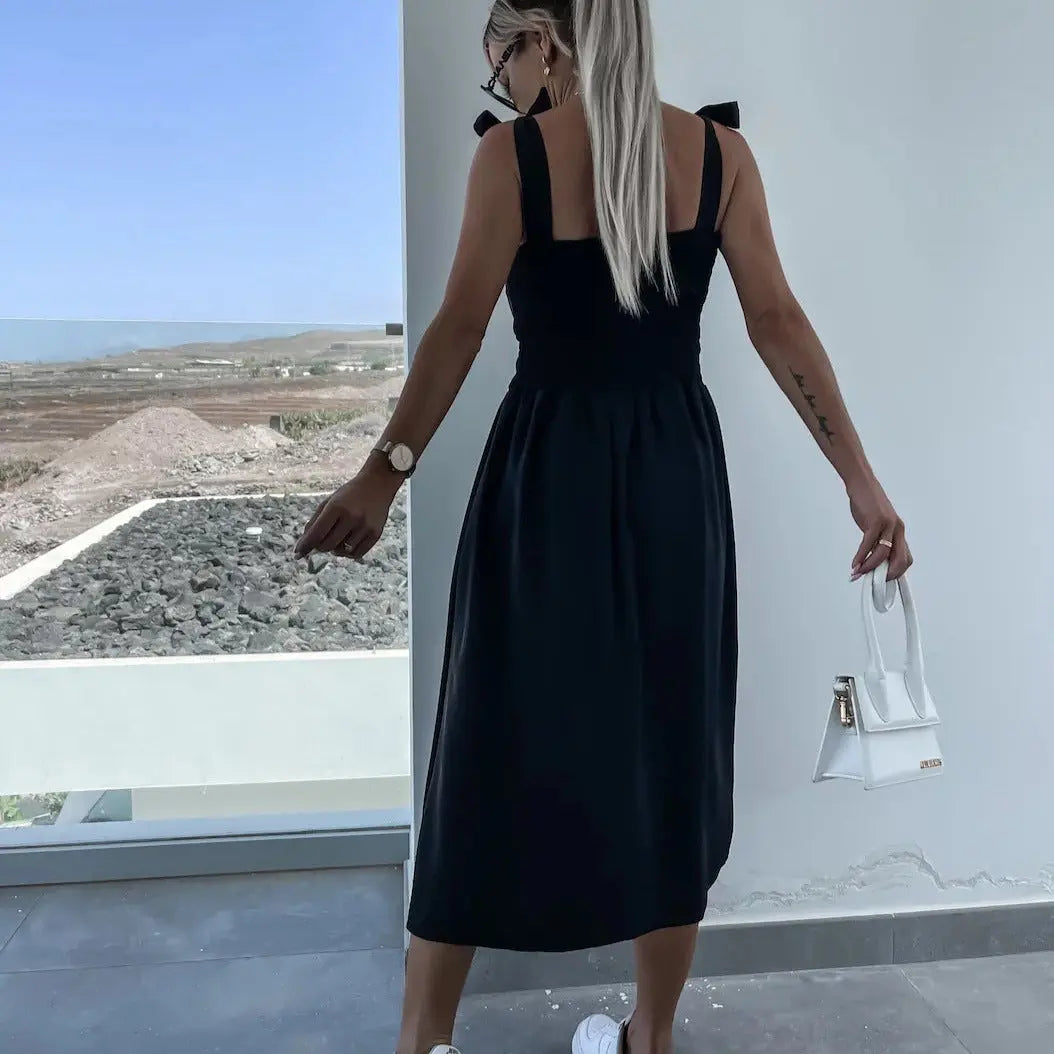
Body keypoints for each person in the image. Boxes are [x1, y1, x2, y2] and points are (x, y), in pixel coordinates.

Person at [295, 0, 913, 1050]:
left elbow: (458, 328)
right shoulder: (718, 156)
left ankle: (424, 1040)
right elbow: (776, 320)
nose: (504, 90)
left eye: (500, 66)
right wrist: (862, 482)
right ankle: (648, 1038)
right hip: (675, 479)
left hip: (546, 480)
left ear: (541, 40)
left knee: (485, 746)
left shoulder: (514, 161)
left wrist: (380, 476)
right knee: (670, 748)